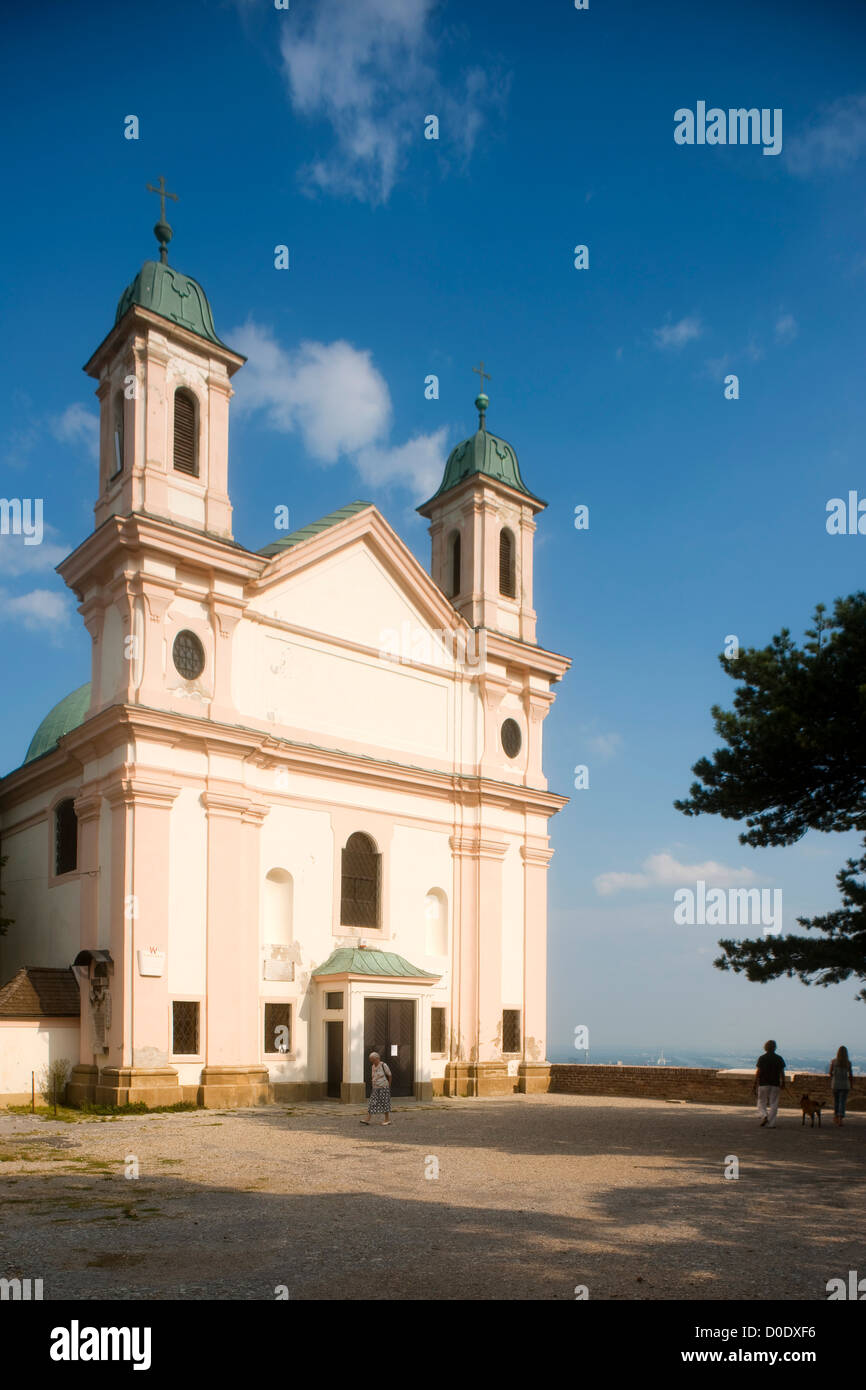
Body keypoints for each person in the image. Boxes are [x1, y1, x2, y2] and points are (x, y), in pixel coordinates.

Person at [754, 1039, 786, 1128]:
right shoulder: (779, 1058)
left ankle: (764, 1115)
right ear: (775, 1048)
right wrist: (783, 1082)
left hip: (763, 1083)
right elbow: (782, 1072)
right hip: (775, 1084)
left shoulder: (762, 1058)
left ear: (765, 1047)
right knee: (774, 1103)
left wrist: (755, 1083)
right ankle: (771, 1124)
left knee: (761, 1102)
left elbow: (758, 1071)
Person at [360, 1051, 392, 1126]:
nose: (372, 1061)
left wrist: (389, 1086)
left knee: (385, 1103)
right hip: (375, 1088)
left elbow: (390, 1075)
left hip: (383, 1087)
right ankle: (367, 1119)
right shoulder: (373, 1066)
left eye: (373, 1060)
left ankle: (387, 1119)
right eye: (371, 1060)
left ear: (378, 1058)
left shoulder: (384, 1065)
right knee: (372, 1103)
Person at [829, 1045, 854, 1126]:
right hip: (845, 1085)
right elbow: (850, 1075)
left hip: (835, 1084)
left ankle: (836, 1117)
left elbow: (830, 1073)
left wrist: (834, 1076)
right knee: (842, 1102)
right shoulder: (848, 1063)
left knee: (836, 1101)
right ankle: (840, 1118)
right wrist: (851, 1084)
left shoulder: (833, 1061)